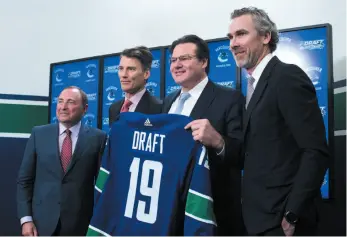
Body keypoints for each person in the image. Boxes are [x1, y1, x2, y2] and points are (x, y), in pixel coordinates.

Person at [227, 7, 329, 236]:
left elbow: (315, 151)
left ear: (265, 37)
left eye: (241, 34)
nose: (233, 43)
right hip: (256, 219)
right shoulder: (252, 85)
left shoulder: (287, 77)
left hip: (282, 224)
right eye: (230, 37)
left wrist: (292, 214)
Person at [162, 34, 245, 235]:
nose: (177, 65)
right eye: (173, 60)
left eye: (185, 58)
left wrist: (218, 141)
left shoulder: (230, 98)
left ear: (204, 62)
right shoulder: (167, 101)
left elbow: (243, 154)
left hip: (212, 211)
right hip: (170, 209)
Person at [17, 86, 107, 236]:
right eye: (60, 101)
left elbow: (101, 187)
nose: (63, 107)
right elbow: (24, 180)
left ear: (84, 109)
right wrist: (26, 219)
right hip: (40, 224)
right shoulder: (39, 134)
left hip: (80, 225)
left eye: (70, 102)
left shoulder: (98, 138)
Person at [109, 46, 162, 126]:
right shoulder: (114, 108)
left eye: (131, 69)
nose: (124, 75)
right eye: (121, 69)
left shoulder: (159, 108)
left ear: (146, 74)